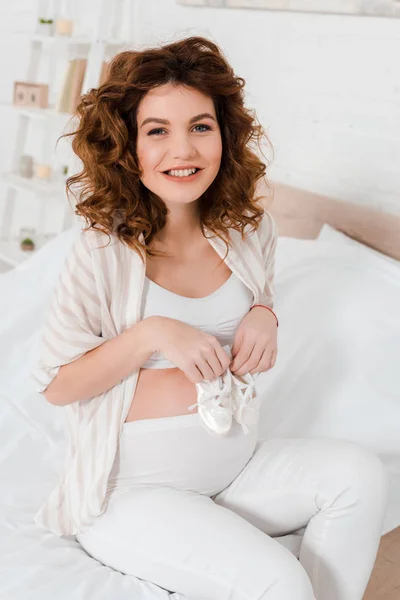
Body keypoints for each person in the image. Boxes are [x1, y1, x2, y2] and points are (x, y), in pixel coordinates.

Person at [32, 36, 388, 600]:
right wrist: (153, 334)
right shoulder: (102, 250)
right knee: (280, 582)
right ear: (127, 146)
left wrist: (266, 314)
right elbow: (57, 385)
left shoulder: (249, 230)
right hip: (133, 493)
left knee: (362, 477)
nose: (184, 150)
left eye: (200, 126)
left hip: (236, 469)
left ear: (224, 132)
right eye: (157, 131)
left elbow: (260, 294)